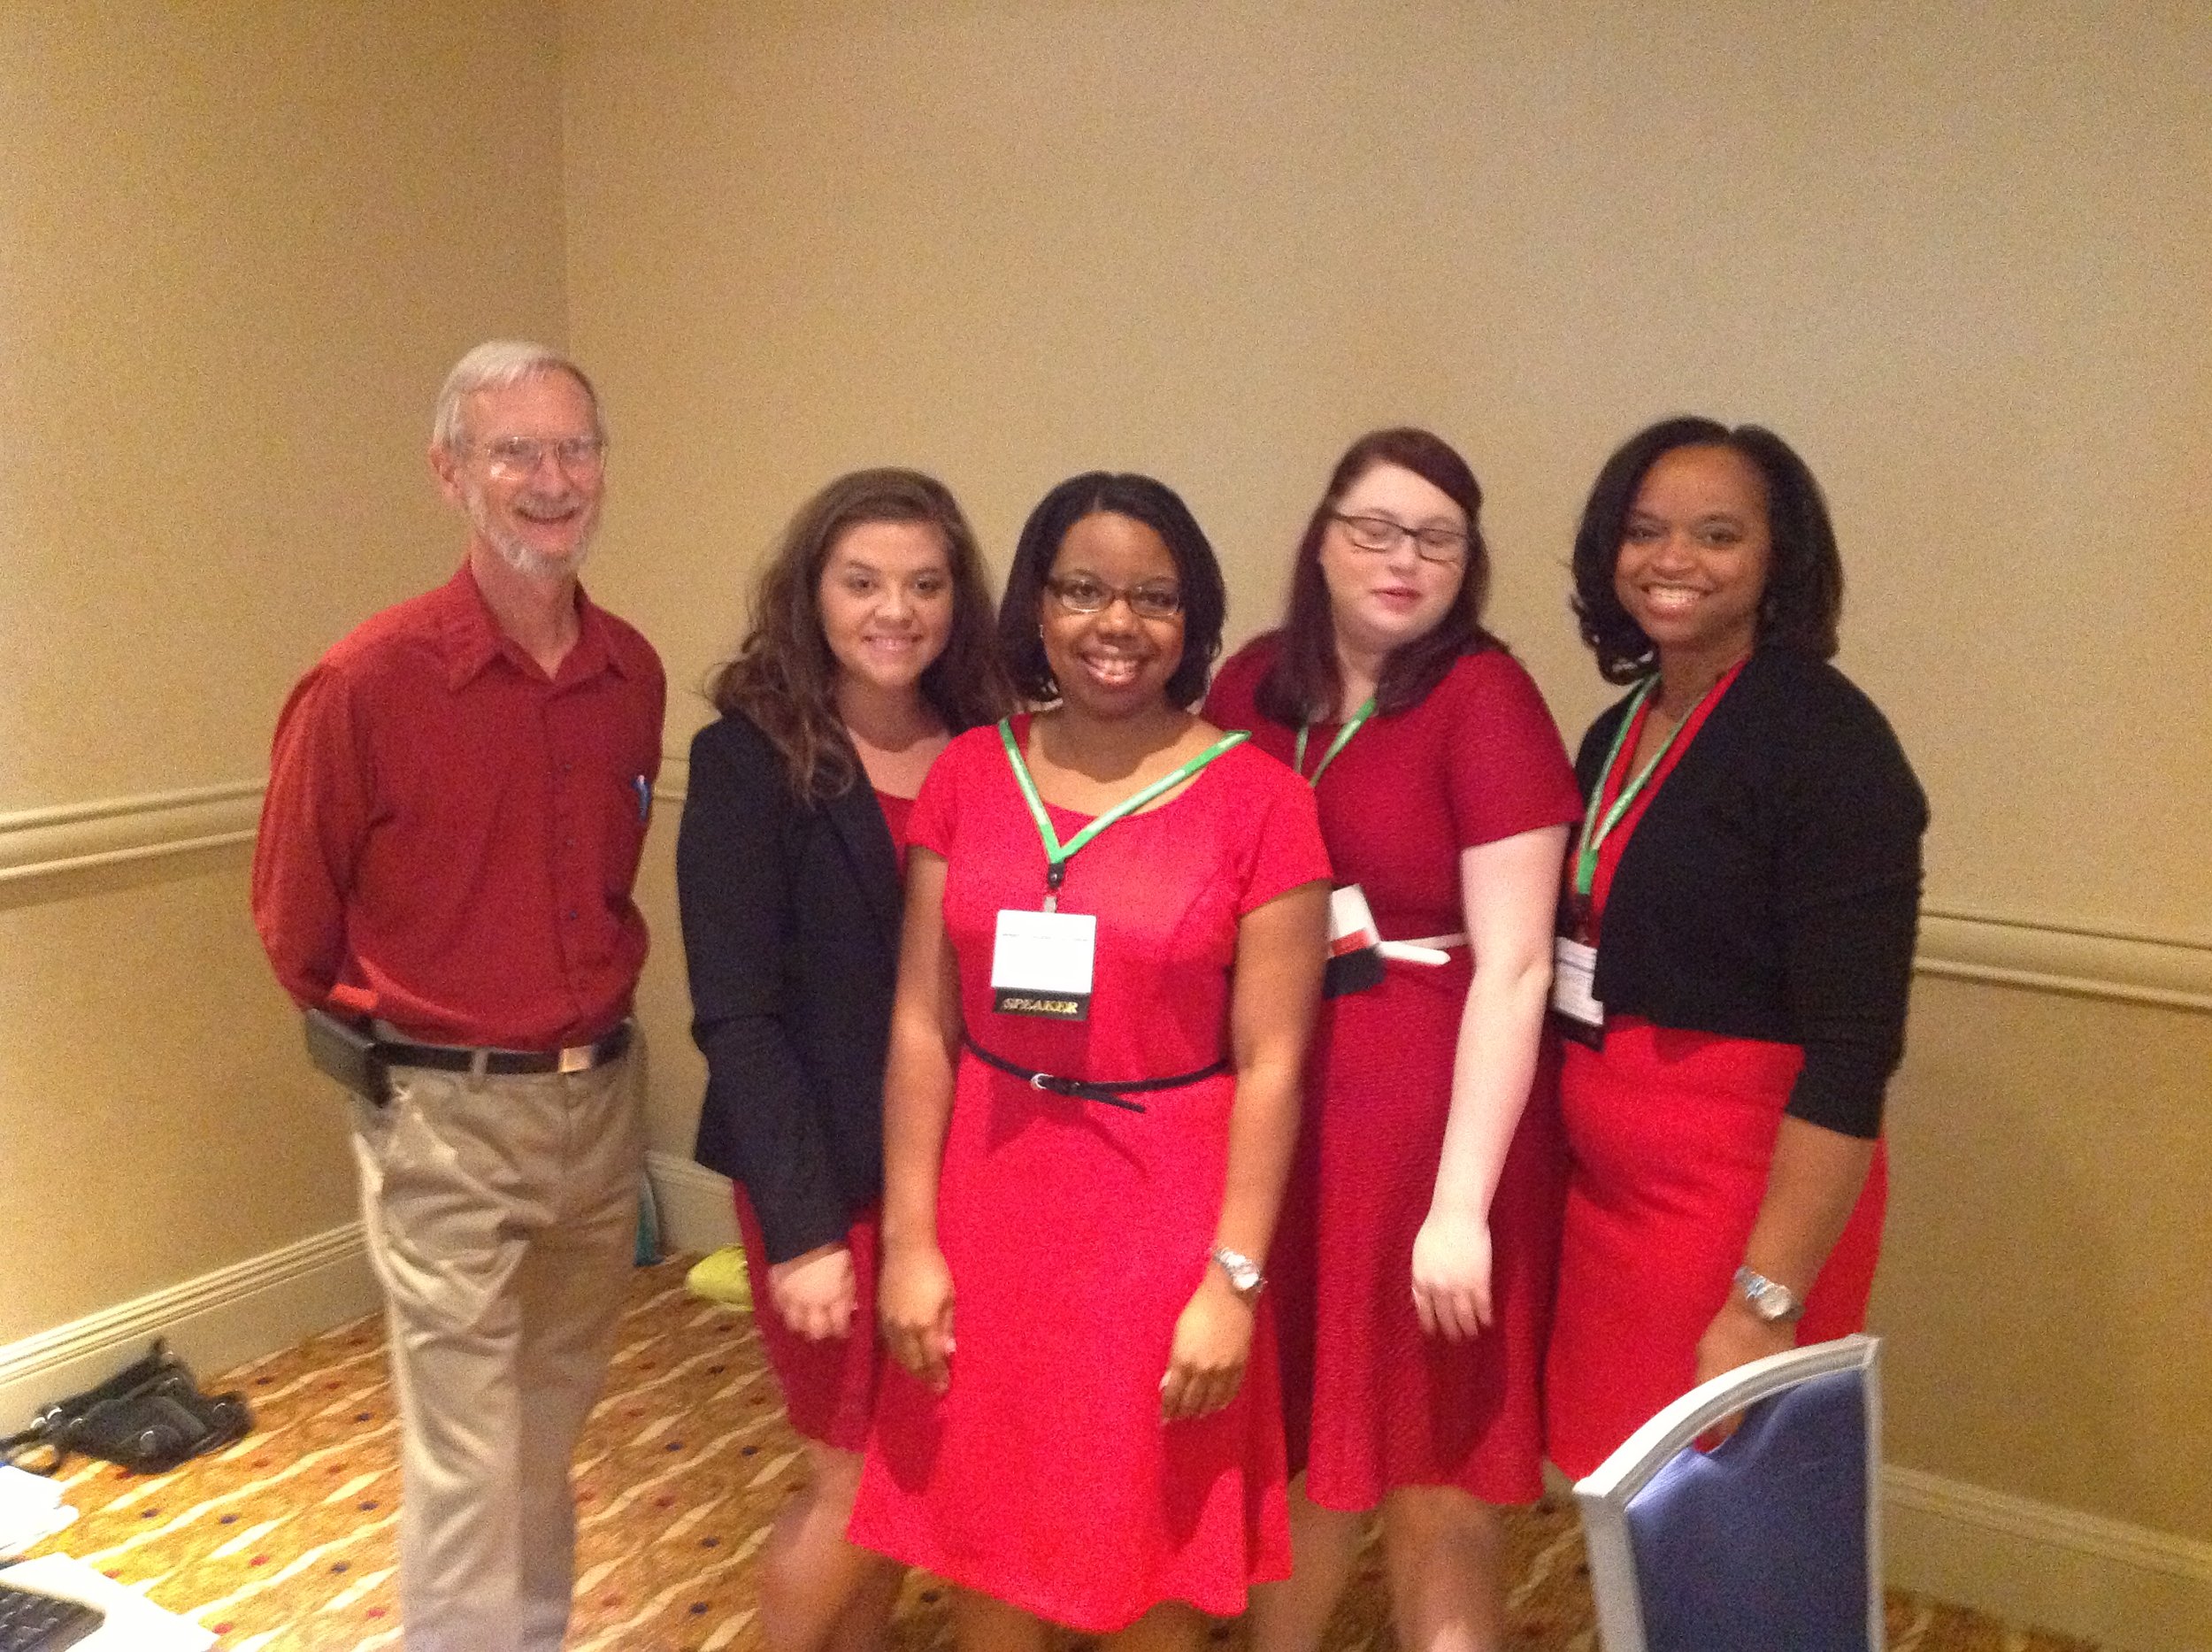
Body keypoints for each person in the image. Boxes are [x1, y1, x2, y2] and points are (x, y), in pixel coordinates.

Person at [850, 473, 1331, 1649]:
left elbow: (1273, 1067)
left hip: (1163, 1222)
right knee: (988, 1542)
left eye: (1153, 598)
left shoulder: (1261, 801)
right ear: (1036, 606)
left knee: (1148, 1556)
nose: (1116, 623)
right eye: (1083, 589)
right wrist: (913, 1239)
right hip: (993, 1197)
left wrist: (1234, 1279)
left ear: (1192, 619)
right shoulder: (970, 772)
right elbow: (923, 1022)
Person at [250, 341, 664, 1652]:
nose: (553, 480)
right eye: (515, 451)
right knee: (470, 1461)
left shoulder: (631, 675)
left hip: (599, 1109)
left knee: (543, 1438)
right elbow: (293, 924)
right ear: (451, 473)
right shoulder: (368, 683)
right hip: (443, 1118)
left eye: (575, 448)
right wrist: (416, 1041)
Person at [1204, 430, 1581, 1652]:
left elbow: (1517, 964)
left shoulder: (1485, 696)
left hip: (1425, 1134)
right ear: (1321, 537)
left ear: (1467, 562)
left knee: (1430, 1468)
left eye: (1437, 537)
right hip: (1275, 1118)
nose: (1401, 558)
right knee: (1302, 1438)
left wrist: (1462, 1203)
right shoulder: (1253, 684)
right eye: (1373, 526)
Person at [1544, 416, 1928, 1479]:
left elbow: (1854, 1053)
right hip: (1610, 1200)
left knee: (1724, 1517)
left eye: (1716, 535)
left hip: (1742, 1208)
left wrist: (1767, 1298)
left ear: (1777, 562)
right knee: (1625, 1494)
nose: (1673, 561)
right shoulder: (1615, 731)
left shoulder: (1829, 744)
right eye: (1645, 531)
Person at [676, 469, 1009, 1652]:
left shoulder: (991, 745)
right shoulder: (745, 760)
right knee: (860, 1478)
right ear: (811, 591)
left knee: (919, 1464)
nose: (895, 610)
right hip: (827, 1173)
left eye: (924, 584)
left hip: (971, 1171)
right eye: (862, 581)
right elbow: (737, 1014)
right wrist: (809, 1229)